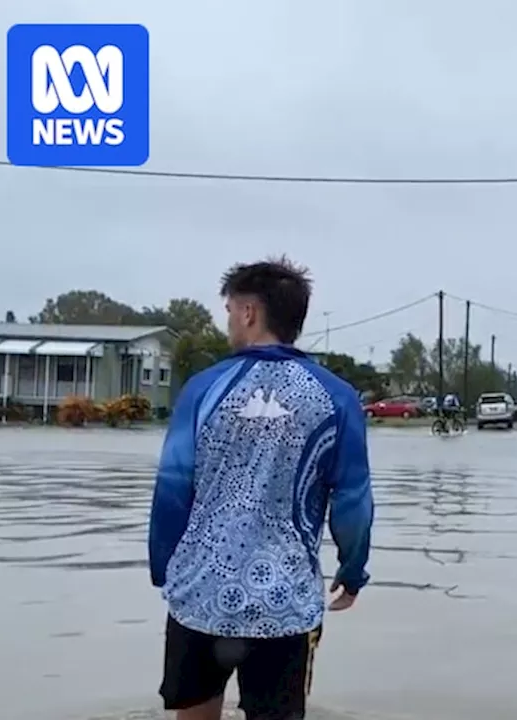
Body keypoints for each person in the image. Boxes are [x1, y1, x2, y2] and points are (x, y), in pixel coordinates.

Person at [148, 258, 375, 720]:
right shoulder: (336, 396)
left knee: (194, 713)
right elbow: (353, 498)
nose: (229, 319)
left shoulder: (202, 390)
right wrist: (353, 570)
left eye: (231, 309)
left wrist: (163, 567)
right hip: (285, 601)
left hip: (200, 594)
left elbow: (172, 488)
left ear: (250, 313)